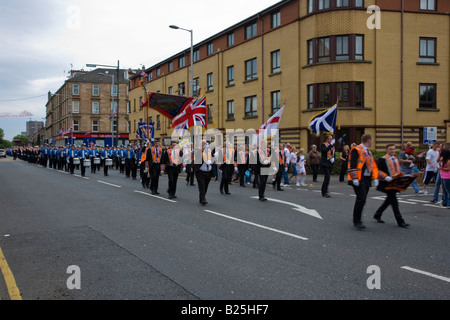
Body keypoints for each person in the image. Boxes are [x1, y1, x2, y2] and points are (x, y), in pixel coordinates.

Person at [348, 134, 388, 230]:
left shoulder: (368, 152)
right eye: (372, 140)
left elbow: (373, 167)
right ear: (368, 140)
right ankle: (357, 221)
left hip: (366, 179)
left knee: (362, 199)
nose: (372, 142)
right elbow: (352, 164)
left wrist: (377, 178)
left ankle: (357, 219)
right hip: (358, 179)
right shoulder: (356, 150)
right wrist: (354, 178)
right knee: (361, 198)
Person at [374, 144, 410, 228]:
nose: (392, 151)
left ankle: (377, 214)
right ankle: (400, 221)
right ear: (386, 150)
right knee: (394, 202)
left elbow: (397, 170)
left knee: (389, 200)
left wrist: (402, 174)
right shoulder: (383, 159)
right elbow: (377, 171)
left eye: (393, 149)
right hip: (387, 183)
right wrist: (386, 177)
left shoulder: (395, 158)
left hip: (395, 183)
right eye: (390, 149)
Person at [194, 140, 213, 206]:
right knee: (202, 185)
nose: (205, 145)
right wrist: (201, 150)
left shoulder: (209, 151)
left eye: (206, 144)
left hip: (208, 171)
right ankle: (203, 199)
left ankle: (202, 197)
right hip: (200, 171)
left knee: (206, 186)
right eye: (203, 144)